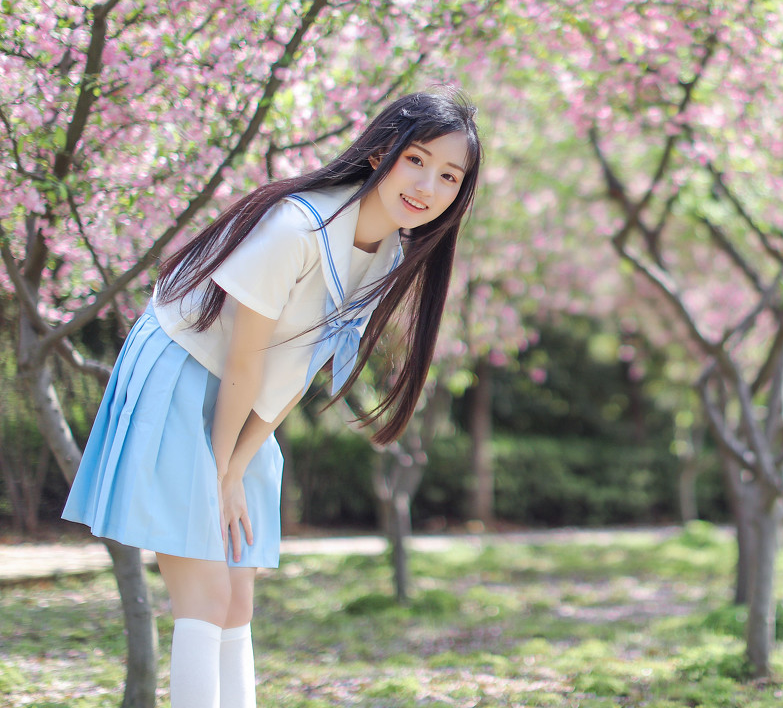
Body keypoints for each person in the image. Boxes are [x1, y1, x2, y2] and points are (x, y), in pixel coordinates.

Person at [62, 89, 482, 707]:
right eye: (415, 159)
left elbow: (295, 371)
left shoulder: (388, 253)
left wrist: (238, 462)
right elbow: (244, 358)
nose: (427, 184)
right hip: (183, 371)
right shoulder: (298, 227)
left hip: (250, 398)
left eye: (449, 176)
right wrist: (221, 469)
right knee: (204, 595)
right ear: (378, 154)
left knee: (237, 597)